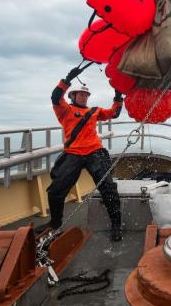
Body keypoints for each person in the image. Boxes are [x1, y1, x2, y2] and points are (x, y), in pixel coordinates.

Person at [39, 67, 125, 242]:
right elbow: (55, 97)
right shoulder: (64, 110)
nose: (84, 97)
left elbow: (113, 114)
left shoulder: (94, 111)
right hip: (72, 153)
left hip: (95, 151)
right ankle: (55, 223)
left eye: (86, 95)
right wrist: (67, 79)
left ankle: (116, 225)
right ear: (73, 96)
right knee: (55, 191)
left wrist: (118, 95)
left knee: (108, 188)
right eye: (81, 94)